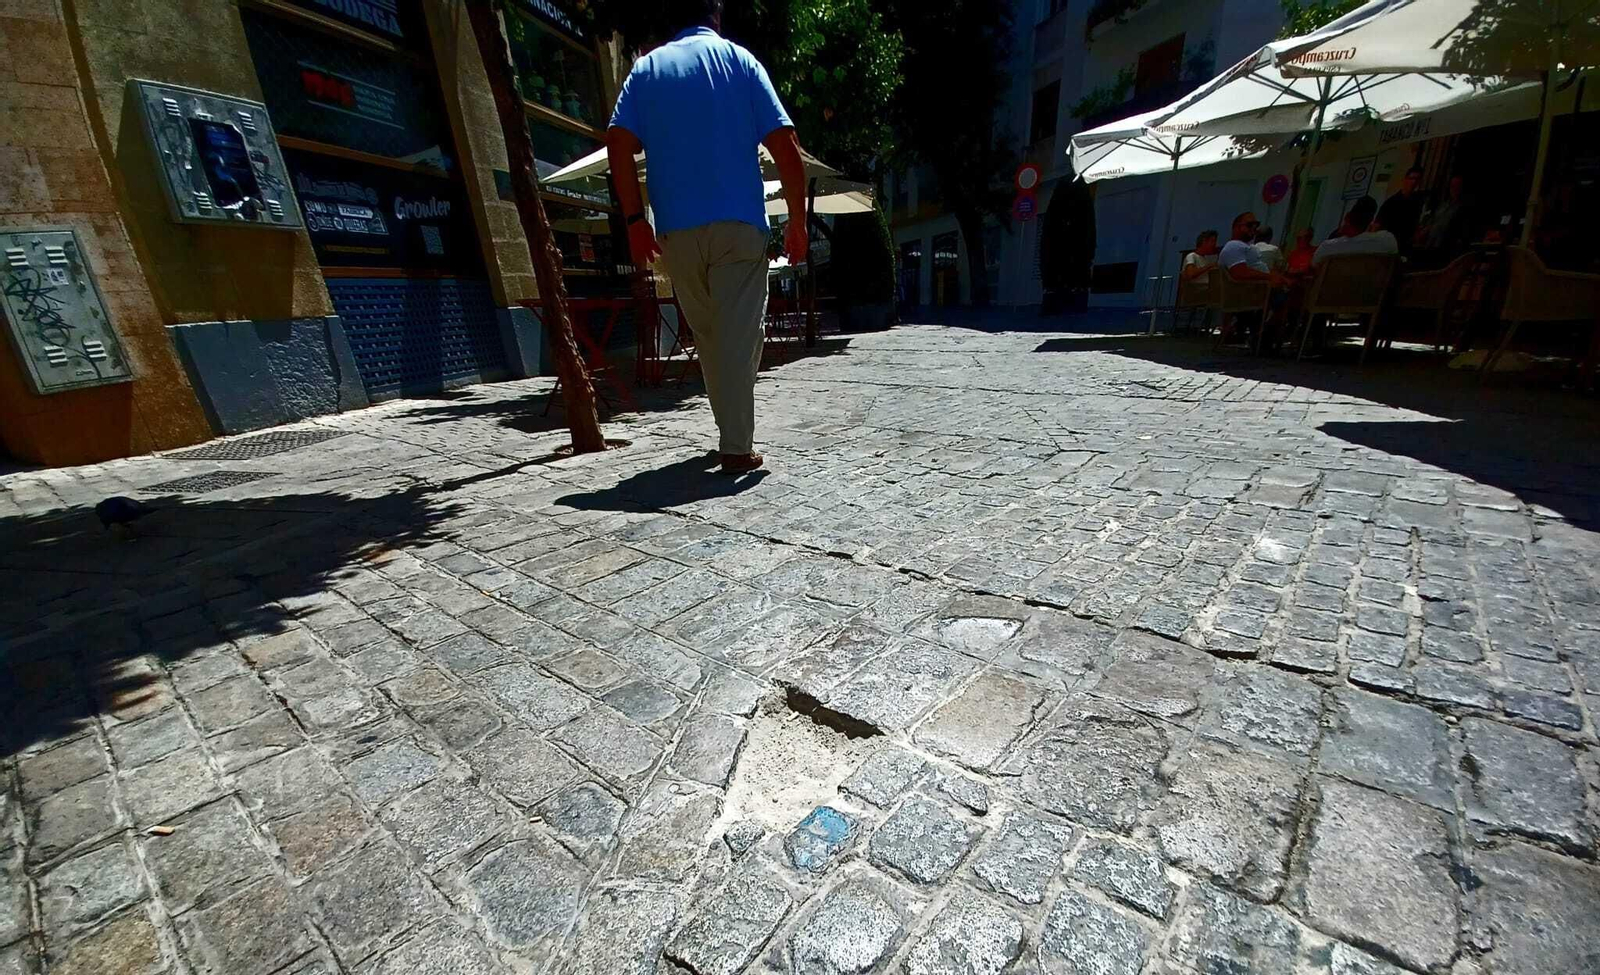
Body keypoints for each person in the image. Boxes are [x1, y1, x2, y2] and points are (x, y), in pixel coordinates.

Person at [606, 0, 809, 475]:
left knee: (711, 336)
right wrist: (797, 220)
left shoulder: (647, 69)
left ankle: (731, 437)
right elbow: (786, 145)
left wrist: (635, 222)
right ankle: (736, 446)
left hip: (675, 230)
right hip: (738, 224)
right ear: (716, 15)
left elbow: (617, 143)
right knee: (739, 336)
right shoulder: (740, 62)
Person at [1218, 211, 1291, 347]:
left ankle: (1261, 333)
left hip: (1256, 290)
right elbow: (1239, 272)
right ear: (1236, 227)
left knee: (1289, 293)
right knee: (1291, 297)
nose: (1254, 228)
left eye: (1256, 225)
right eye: (1249, 225)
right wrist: (1269, 277)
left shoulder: (1243, 247)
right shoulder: (1234, 246)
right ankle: (1264, 335)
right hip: (1253, 293)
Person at [1313, 196, 1398, 265]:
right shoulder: (1388, 241)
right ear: (1371, 221)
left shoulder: (1327, 247)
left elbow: (1313, 268)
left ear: (1347, 217)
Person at [1375, 166, 1425, 253]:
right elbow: (1377, 225)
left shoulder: (1417, 203)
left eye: (1417, 179)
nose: (1414, 182)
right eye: (1412, 178)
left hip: (1406, 247)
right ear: (1405, 180)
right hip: (1389, 245)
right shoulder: (1391, 203)